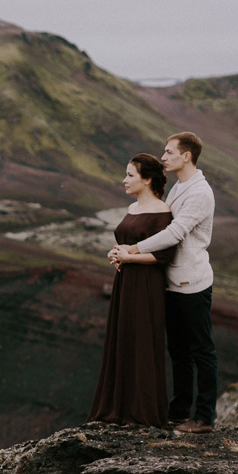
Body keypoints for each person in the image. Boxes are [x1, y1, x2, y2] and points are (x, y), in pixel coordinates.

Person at [110, 131, 217, 433]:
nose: (164, 157)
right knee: (179, 351)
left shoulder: (199, 192)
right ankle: (180, 410)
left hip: (192, 282)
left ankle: (205, 417)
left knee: (202, 350)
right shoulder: (179, 189)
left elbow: (174, 234)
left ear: (187, 156)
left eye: (169, 152)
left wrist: (132, 250)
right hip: (171, 281)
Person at [88, 154, 176, 427]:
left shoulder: (162, 212)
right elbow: (127, 242)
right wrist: (117, 254)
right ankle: (119, 408)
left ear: (147, 179)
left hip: (146, 286)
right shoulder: (132, 208)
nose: (124, 180)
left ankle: (141, 413)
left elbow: (164, 256)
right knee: (123, 339)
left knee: (141, 343)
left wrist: (128, 258)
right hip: (126, 282)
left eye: (130, 175)